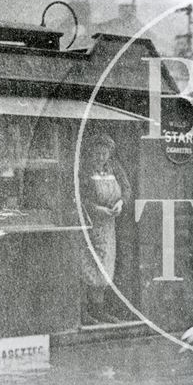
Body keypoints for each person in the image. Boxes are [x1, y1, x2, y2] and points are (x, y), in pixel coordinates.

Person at [79, 133, 131, 325]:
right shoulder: (85, 170)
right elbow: (78, 197)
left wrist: (121, 203)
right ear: (91, 152)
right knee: (87, 267)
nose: (101, 157)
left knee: (104, 266)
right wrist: (96, 209)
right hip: (89, 224)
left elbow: (126, 190)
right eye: (98, 153)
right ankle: (83, 312)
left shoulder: (114, 168)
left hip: (109, 226)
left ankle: (98, 310)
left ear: (110, 154)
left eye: (105, 153)